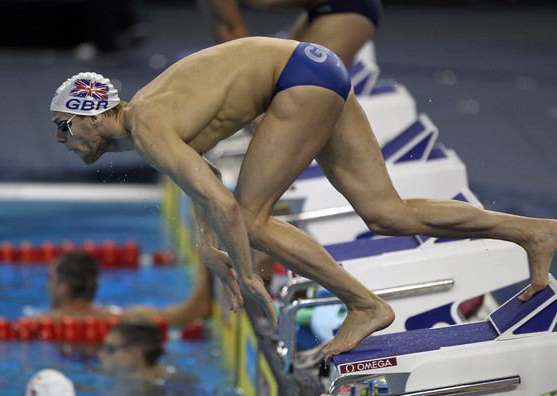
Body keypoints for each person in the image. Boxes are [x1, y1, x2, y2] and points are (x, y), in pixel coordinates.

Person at [49, 38, 557, 357]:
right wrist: (209, 246)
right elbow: (200, 174)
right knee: (387, 213)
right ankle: (533, 232)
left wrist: (248, 279)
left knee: (250, 219)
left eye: (62, 128)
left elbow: (224, 204)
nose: (61, 141)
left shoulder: (148, 128)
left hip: (296, 81)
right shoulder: (147, 118)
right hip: (315, 69)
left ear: (89, 115)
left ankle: (363, 304)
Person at [199, 0, 382, 67]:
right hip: (321, 8)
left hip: (349, 8)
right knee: (288, 93)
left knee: (298, 94)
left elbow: (235, 39)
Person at [99, 322, 198, 395]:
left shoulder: (138, 390)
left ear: (135, 356)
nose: (100, 355)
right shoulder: (175, 374)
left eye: (109, 349)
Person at [43, 251, 119, 321]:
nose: (48, 284)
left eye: (49, 277)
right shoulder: (116, 318)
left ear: (65, 287)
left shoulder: (43, 322)